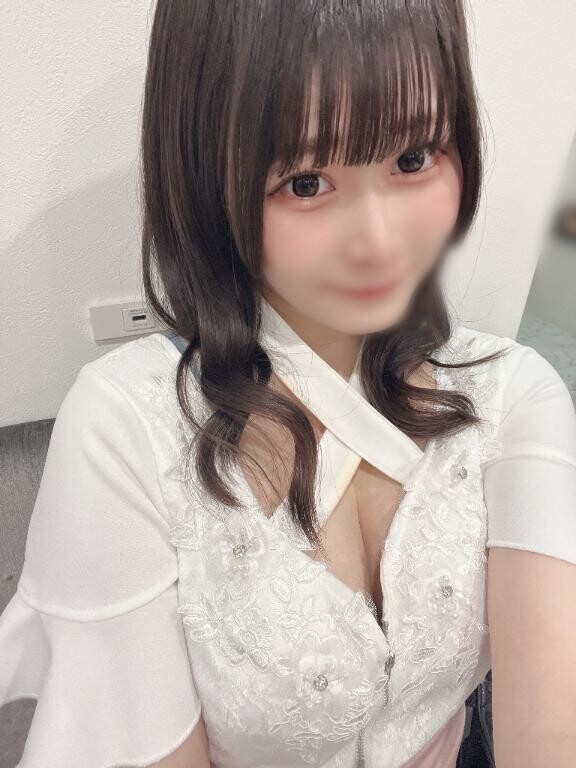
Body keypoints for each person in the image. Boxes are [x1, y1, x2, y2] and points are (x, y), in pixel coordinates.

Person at [1, 1, 575, 766]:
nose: (380, 240)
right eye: (306, 182)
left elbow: (553, 730)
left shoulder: (510, 393)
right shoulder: (125, 426)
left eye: (413, 159)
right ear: (210, 181)